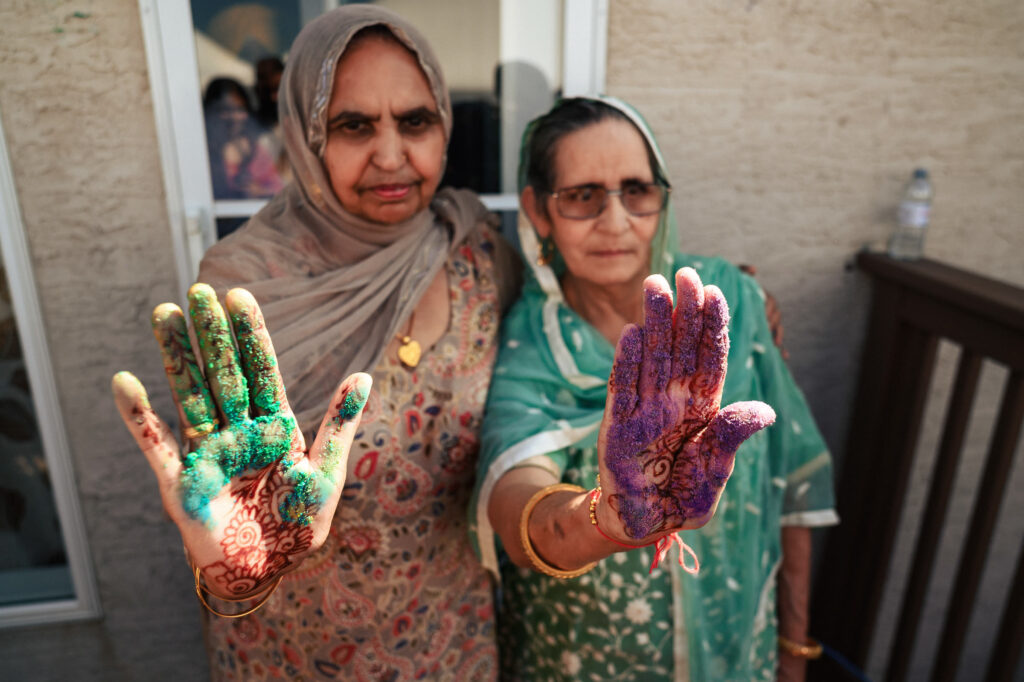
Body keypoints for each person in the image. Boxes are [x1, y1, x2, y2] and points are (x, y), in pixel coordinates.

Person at [113, 7, 520, 679]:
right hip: (288, 647)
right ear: (305, 134)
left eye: (415, 121)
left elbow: (559, 351)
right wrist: (233, 576)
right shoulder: (246, 286)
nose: (392, 155)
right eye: (353, 126)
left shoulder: (476, 254)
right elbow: (221, 497)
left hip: (450, 642)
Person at [470, 96, 838, 681]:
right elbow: (517, 504)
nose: (615, 223)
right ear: (539, 211)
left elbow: (792, 486)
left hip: (738, 652)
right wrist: (604, 520)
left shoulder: (727, 308)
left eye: (636, 191)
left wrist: (793, 652)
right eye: (583, 196)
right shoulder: (530, 344)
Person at [202, 76, 284, 202]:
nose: (234, 117)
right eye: (225, 110)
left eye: (240, 110)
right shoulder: (202, 152)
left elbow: (278, 189)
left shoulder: (255, 148)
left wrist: (259, 191)